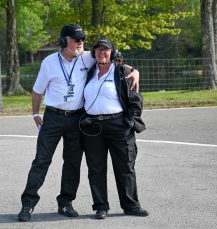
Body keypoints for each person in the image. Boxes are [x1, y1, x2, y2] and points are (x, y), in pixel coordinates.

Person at [17, 24, 140, 222]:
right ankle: (28, 204)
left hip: (77, 119)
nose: (81, 42)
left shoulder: (87, 56)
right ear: (64, 41)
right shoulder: (49, 63)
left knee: (72, 163)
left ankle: (65, 202)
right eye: (76, 39)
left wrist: (134, 72)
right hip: (53, 117)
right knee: (41, 161)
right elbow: (37, 91)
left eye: (83, 39)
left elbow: (111, 60)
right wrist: (34, 114)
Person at [80, 38, 149, 219]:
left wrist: (128, 122)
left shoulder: (122, 71)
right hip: (93, 128)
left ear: (113, 53)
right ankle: (101, 206)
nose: (102, 53)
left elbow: (135, 100)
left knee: (125, 167)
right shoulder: (87, 73)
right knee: (95, 169)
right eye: (98, 50)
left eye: (106, 50)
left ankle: (131, 206)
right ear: (94, 53)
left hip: (119, 125)